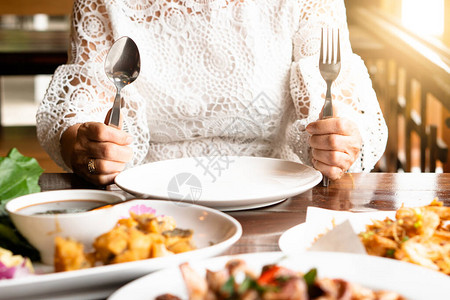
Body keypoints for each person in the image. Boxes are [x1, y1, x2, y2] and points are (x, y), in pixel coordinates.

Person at [36, 0, 387, 186]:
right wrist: (87, 147)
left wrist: (339, 139)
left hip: (280, 197)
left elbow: (338, 96)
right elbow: (83, 108)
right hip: (149, 202)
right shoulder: (103, 2)